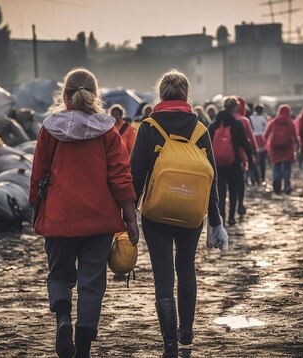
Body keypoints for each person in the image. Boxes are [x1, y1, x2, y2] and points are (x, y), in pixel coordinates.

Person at [29, 68, 138, 358]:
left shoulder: (50, 128)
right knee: (92, 285)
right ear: (96, 95)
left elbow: (38, 174)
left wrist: (36, 210)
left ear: (65, 96)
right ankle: (84, 349)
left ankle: (63, 320)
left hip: (59, 217)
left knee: (59, 277)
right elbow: (120, 175)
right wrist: (130, 217)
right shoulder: (108, 129)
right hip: (98, 222)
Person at [131, 70, 226, 357]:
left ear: (161, 94)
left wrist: (126, 215)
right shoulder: (199, 128)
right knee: (186, 268)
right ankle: (187, 330)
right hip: (191, 213)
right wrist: (215, 220)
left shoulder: (148, 126)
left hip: (155, 214)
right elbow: (212, 177)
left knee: (163, 274)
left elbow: (135, 175)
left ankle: (169, 341)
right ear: (186, 95)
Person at [209, 97, 254, 226]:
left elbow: (207, 142)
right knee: (233, 190)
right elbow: (244, 143)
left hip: (217, 163)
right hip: (233, 162)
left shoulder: (214, 124)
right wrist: (250, 158)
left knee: (221, 191)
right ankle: (231, 217)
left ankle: (221, 215)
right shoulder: (236, 124)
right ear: (235, 108)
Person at [264, 105, 299, 194]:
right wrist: (298, 146)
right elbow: (295, 137)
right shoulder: (290, 123)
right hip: (288, 148)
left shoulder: (273, 122)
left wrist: (267, 145)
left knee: (277, 166)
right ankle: (287, 185)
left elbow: (266, 135)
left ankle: (277, 182)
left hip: (275, 149)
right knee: (287, 167)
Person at [234, 96, 258, 215]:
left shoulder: (225, 119)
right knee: (241, 181)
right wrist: (254, 153)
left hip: (226, 155)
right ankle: (240, 204)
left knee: (230, 184)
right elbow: (252, 139)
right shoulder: (244, 120)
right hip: (241, 156)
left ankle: (227, 210)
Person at [249, 103, 269, 184]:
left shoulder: (250, 118)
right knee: (262, 162)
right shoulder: (263, 119)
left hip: (252, 139)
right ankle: (262, 178)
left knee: (252, 161)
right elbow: (266, 130)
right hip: (261, 140)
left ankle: (253, 179)